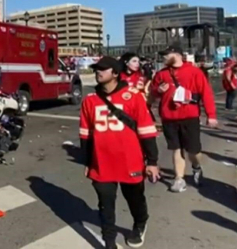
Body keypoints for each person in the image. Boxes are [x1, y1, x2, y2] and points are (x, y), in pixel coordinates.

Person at [79, 56, 160, 249]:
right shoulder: (90, 101)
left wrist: (153, 161)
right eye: (97, 69)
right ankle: (109, 242)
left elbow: (147, 131)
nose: (98, 72)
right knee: (105, 204)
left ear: (115, 73)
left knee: (135, 199)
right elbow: (85, 136)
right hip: (102, 163)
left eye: (103, 69)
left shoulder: (133, 96)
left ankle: (140, 223)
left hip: (130, 161)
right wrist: (88, 162)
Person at [150, 44, 217, 193]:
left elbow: (206, 93)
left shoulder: (195, 72)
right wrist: (158, 90)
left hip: (189, 116)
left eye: (167, 55)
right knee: (176, 148)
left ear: (178, 55)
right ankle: (179, 179)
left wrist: (211, 115)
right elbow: (152, 92)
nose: (164, 58)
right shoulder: (162, 74)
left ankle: (196, 166)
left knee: (193, 151)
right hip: (169, 117)